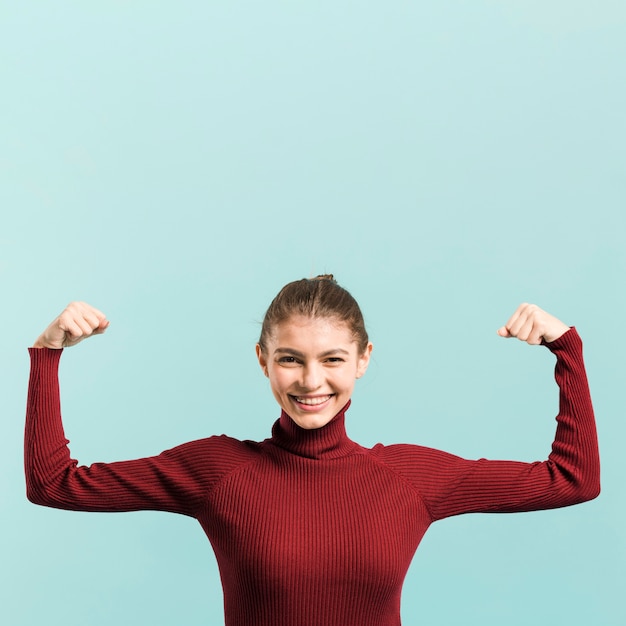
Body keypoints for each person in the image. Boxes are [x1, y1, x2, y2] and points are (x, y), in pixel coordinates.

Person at [25, 275, 600, 626]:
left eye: (332, 359)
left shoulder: (409, 478)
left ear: (364, 360)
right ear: (262, 360)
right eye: (290, 358)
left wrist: (566, 349)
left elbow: (572, 480)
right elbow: (54, 484)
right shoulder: (217, 471)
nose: (310, 381)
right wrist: (47, 354)